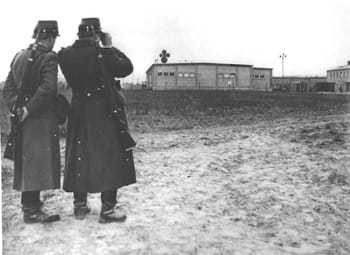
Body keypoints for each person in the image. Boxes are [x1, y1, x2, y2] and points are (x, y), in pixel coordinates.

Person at [58, 18, 136, 223]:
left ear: (79, 33)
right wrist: (108, 46)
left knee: (78, 156)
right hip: (103, 111)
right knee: (110, 156)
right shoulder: (102, 54)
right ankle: (107, 211)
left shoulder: (64, 55)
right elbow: (126, 68)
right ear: (96, 34)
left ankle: (80, 206)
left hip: (78, 110)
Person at [2, 21, 61, 223]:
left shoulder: (19, 56)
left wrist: (17, 108)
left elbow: (7, 90)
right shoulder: (49, 57)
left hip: (22, 120)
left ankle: (31, 205)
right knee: (37, 164)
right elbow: (48, 88)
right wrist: (29, 109)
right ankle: (31, 210)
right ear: (51, 38)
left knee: (28, 163)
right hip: (39, 118)